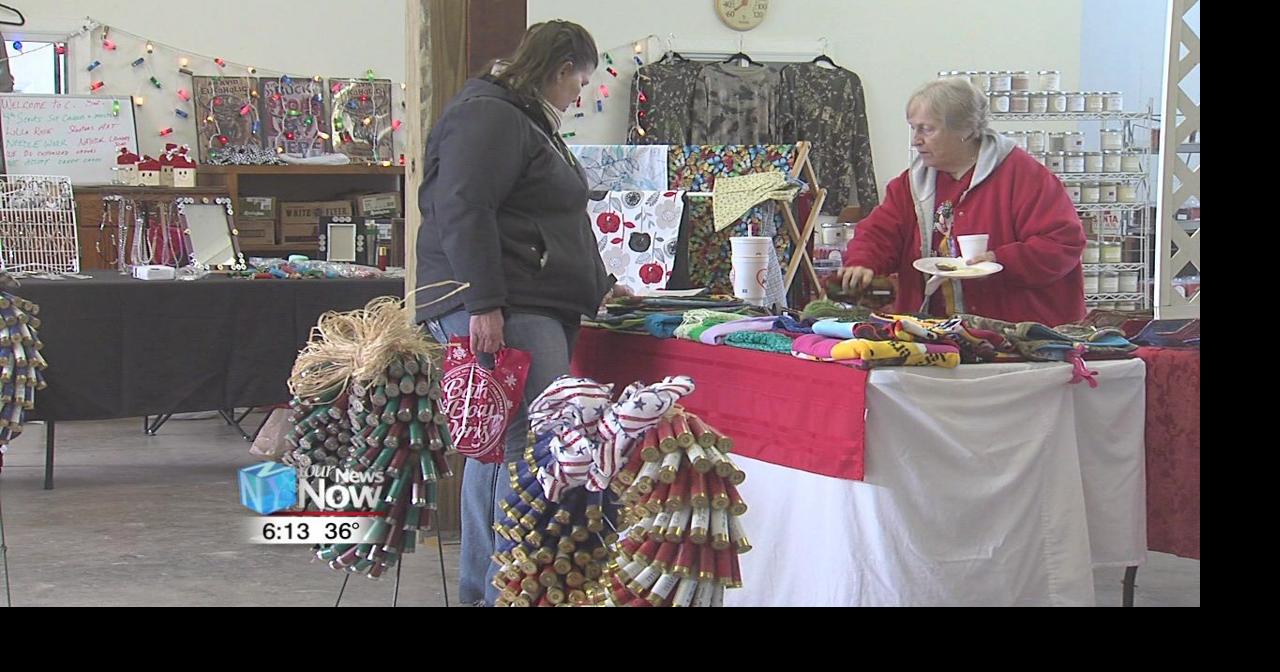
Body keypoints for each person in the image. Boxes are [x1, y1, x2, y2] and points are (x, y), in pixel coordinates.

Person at [415, 20, 626, 606]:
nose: (578, 96)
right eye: (579, 83)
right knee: (517, 444)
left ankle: (502, 585)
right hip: (505, 303)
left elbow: (549, 217)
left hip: (530, 300)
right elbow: (464, 208)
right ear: (560, 69)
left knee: (516, 444)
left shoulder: (524, 120)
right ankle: (491, 590)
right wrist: (482, 302)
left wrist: (599, 283)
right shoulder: (490, 116)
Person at [839, 77, 1086, 326]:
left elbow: (1062, 243)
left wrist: (1001, 260)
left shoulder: (1024, 176)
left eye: (927, 129)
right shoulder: (912, 183)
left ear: (964, 131)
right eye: (913, 128)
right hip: (937, 329)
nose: (915, 140)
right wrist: (863, 262)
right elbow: (880, 232)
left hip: (1017, 330)